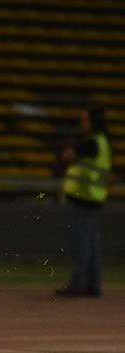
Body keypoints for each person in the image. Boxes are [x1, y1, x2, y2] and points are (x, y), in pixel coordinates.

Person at [56, 106, 111, 298]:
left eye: (85, 120)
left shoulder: (92, 143)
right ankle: (93, 284)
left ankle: (80, 283)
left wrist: (69, 151)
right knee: (92, 242)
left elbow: (68, 156)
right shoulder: (102, 142)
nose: (83, 123)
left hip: (83, 198)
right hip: (94, 199)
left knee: (82, 243)